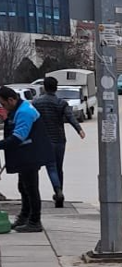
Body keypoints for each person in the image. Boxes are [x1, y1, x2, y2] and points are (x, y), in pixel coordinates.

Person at [0, 87, 55, 233]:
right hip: (25, 154)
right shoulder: (19, 108)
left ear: (11, 100)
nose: (3, 107)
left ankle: (34, 221)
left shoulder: (24, 112)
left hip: (31, 154)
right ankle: (24, 217)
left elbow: (19, 137)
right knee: (23, 187)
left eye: (3, 104)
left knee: (30, 188)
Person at [33, 76, 85, 208]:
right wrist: (79, 130)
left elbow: (32, 121)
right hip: (60, 139)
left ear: (44, 87)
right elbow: (70, 117)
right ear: (56, 88)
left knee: (49, 167)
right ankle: (59, 191)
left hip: (44, 140)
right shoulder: (61, 103)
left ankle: (56, 191)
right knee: (58, 168)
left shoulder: (37, 103)